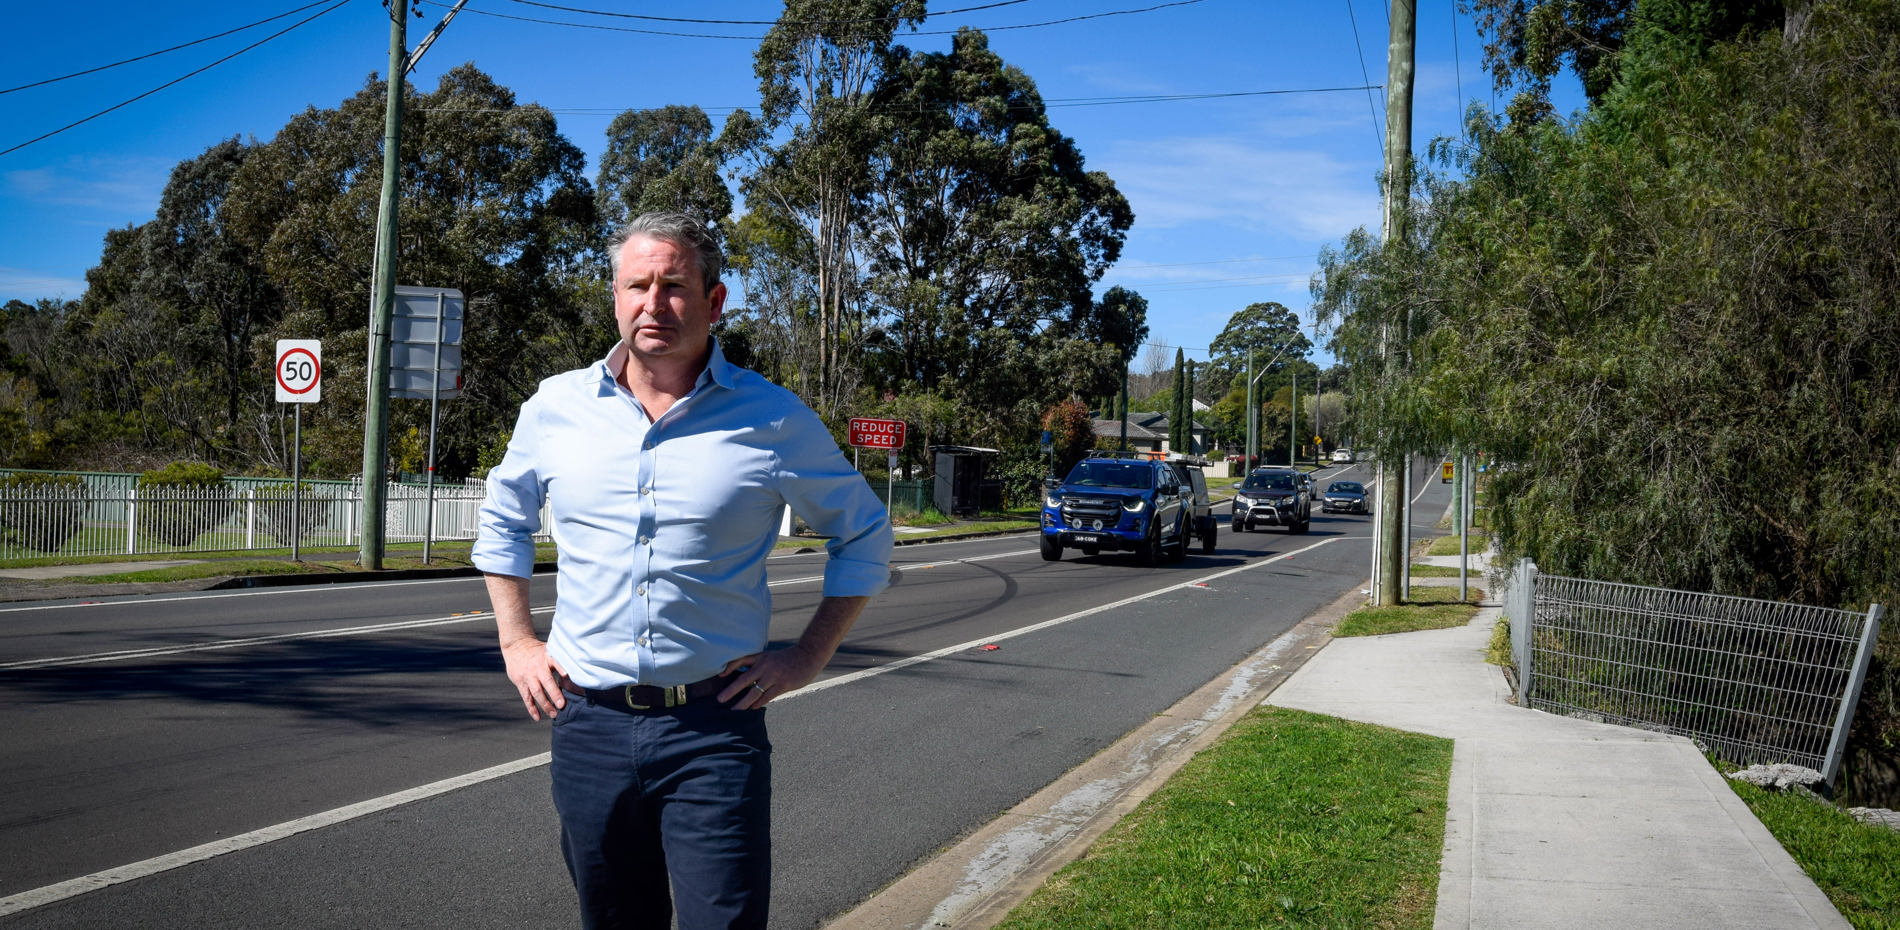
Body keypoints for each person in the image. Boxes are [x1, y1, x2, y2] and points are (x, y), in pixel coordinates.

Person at [473, 211, 892, 930]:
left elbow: (864, 532)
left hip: (713, 730)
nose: (652, 303)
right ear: (615, 297)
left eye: (673, 285)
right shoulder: (556, 408)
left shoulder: (772, 418)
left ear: (714, 300)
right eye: (637, 285)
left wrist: (808, 656)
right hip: (588, 725)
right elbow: (501, 519)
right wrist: (516, 641)